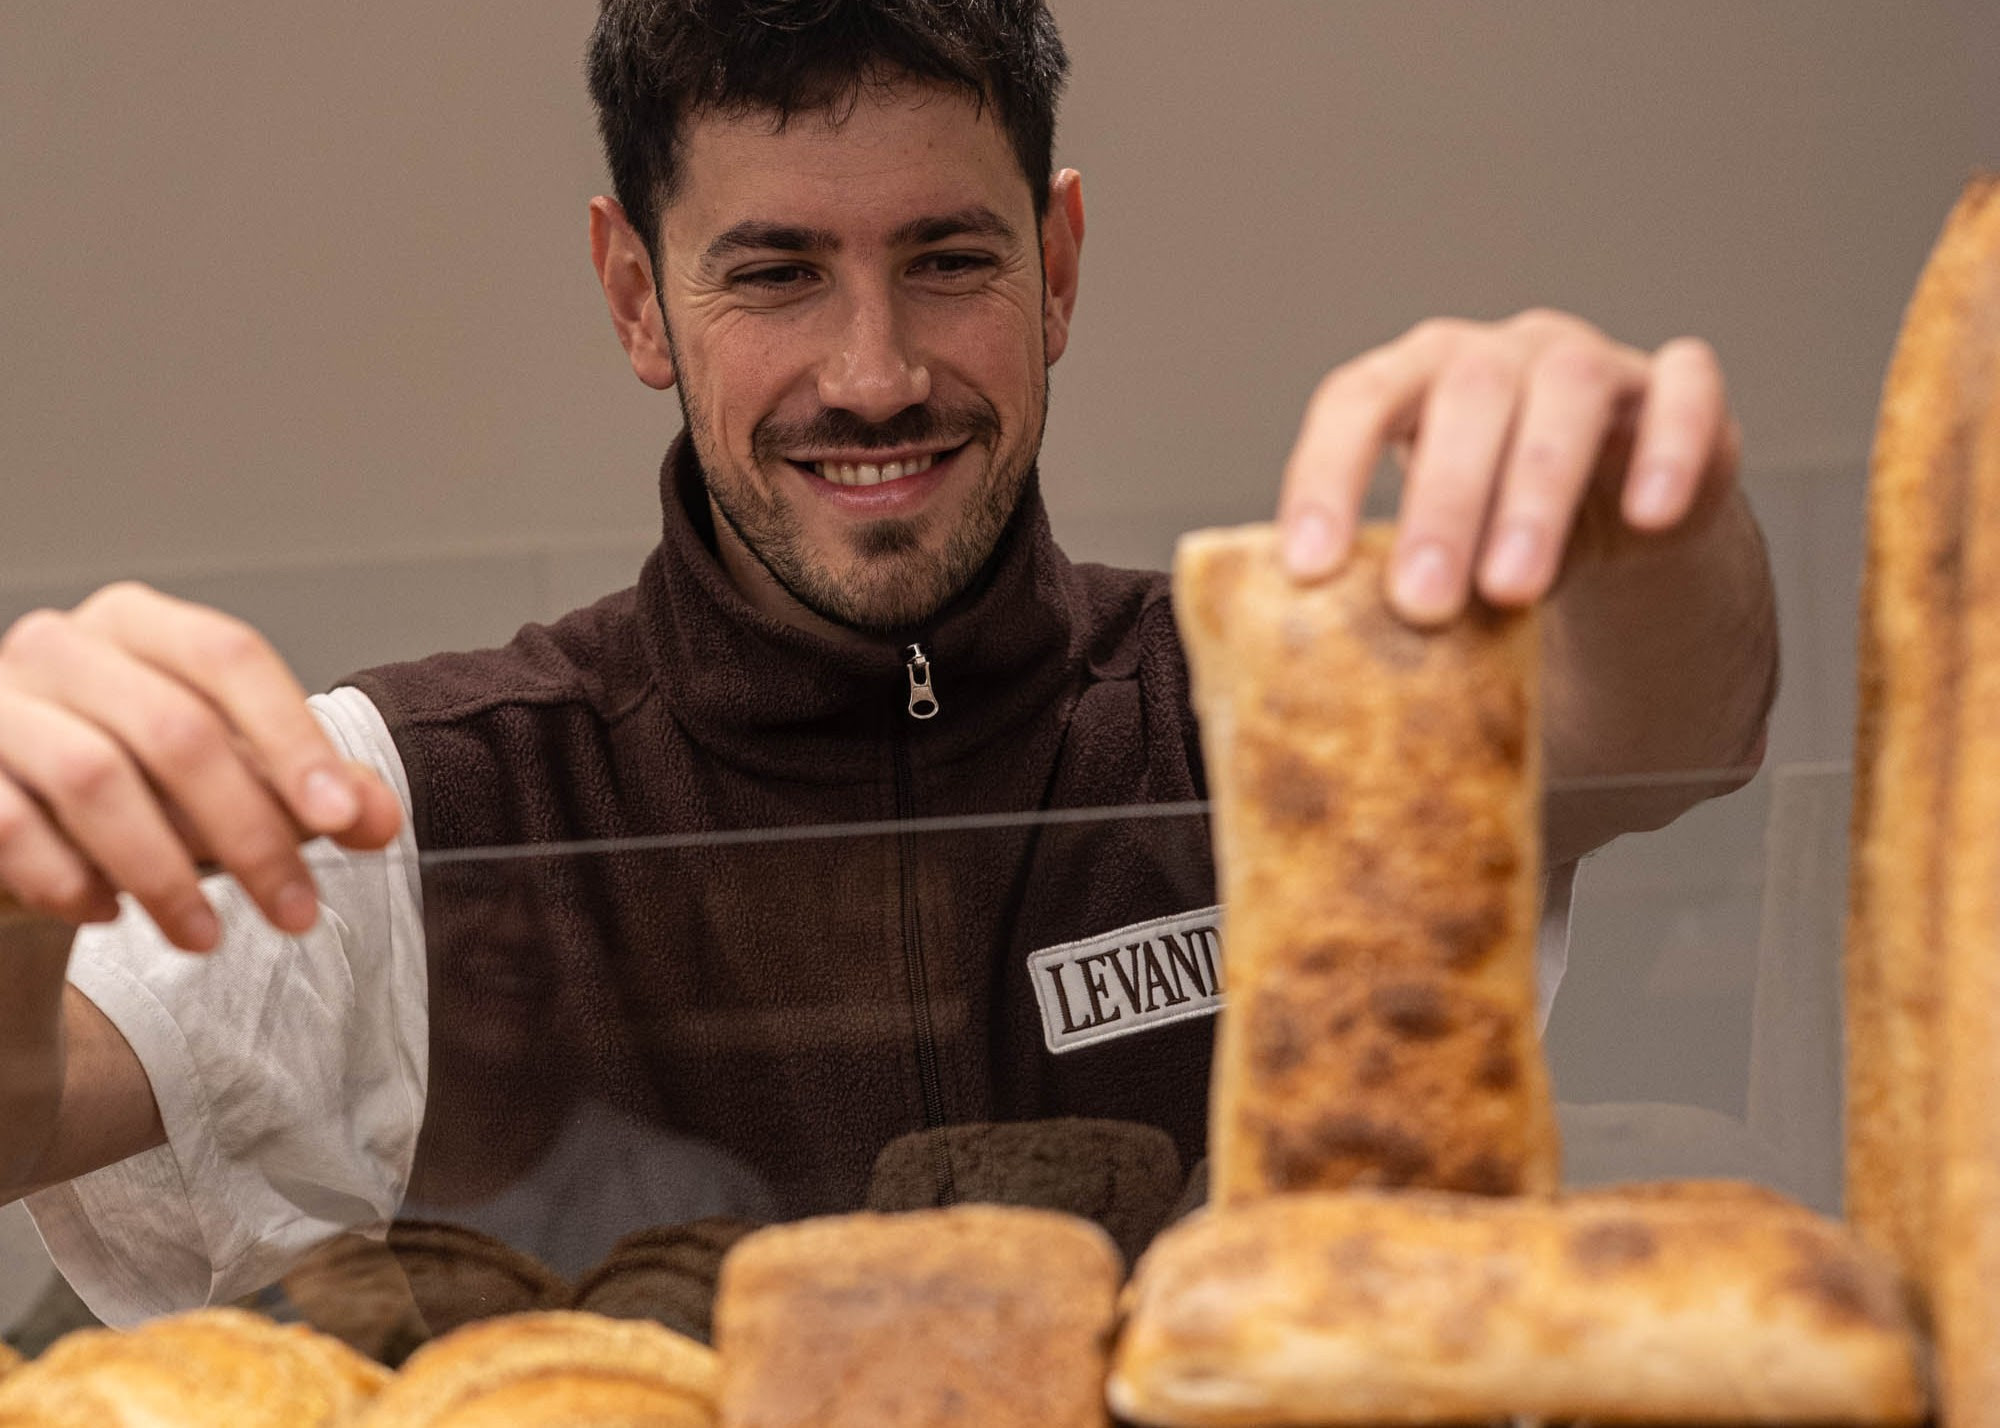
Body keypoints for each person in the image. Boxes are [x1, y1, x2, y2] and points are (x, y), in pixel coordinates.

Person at [0, 0, 1775, 1321]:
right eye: (774, 272)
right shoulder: (429, 787)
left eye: (948, 260)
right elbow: (29, 1107)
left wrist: (1647, 502)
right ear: (636, 295)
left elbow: (1677, 731)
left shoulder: (1270, 705)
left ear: (1058, 264)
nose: (873, 370)